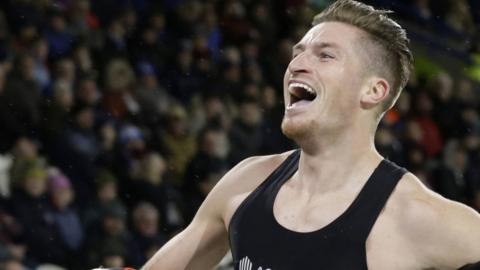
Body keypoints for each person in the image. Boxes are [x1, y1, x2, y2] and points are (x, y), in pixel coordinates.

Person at [142, 1, 480, 269]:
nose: (297, 64)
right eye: (298, 52)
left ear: (373, 91)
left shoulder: (416, 216)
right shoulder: (246, 183)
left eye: (325, 55)